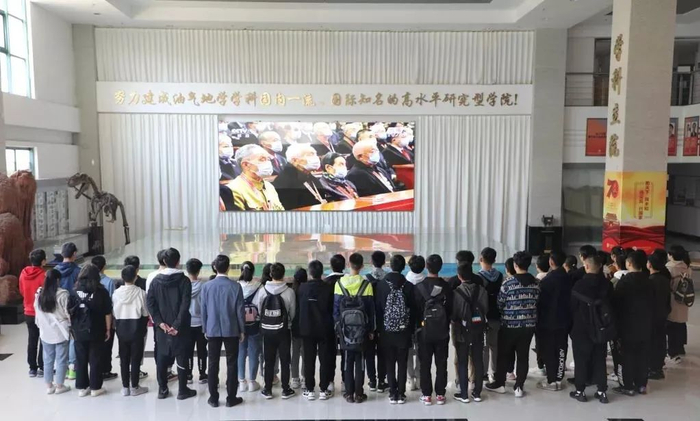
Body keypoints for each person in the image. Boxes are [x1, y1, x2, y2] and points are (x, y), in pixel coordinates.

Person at [485, 251, 539, 398]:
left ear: (515, 265)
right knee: (523, 356)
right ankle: (519, 387)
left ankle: (500, 384)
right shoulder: (536, 283)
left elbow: (500, 303)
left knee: (503, 355)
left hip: (509, 326)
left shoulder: (508, 283)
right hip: (528, 326)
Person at [146, 248, 196, 400]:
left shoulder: (155, 281)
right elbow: (185, 304)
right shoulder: (184, 280)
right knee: (182, 356)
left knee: (161, 356)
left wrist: (160, 323)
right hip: (181, 327)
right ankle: (182, 390)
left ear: (164, 261)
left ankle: (162, 389)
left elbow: (150, 304)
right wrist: (177, 325)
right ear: (178, 261)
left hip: (162, 327)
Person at [201, 255, 245, 408]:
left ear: (215, 267)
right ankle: (231, 398)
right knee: (232, 363)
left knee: (213, 363)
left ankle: (213, 398)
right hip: (231, 329)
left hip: (212, 329)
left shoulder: (206, 286)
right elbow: (240, 311)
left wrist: (205, 328)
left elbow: (204, 310)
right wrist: (242, 330)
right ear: (228, 268)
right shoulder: (235, 286)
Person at [334, 253, 376, 403]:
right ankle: (359, 393)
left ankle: (348, 393)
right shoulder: (367, 285)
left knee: (347, 359)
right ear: (362, 266)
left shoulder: (339, 284)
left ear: (348, 265)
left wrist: (338, 329)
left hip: (345, 330)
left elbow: (336, 311)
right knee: (360, 360)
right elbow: (371, 312)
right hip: (362, 331)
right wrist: (371, 330)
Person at [375, 254, 417, 404]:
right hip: (404, 330)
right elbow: (413, 311)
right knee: (402, 361)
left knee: (390, 361)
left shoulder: (381, 285)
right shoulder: (409, 286)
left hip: (386, 330)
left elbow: (378, 310)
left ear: (390, 266)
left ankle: (392, 393)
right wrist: (411, 329)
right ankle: (401, 393)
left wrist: (379, 329)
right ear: (403, 267)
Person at [569, 255, 610, 404]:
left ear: (586, 266)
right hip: (601, 328)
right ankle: (602, 391)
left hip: (581, 329)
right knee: (600, 359)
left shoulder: (579, 285)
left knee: (581, 360)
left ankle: (580, 391)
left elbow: (572, 307)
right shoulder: (607, 284)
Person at [612, 251, 653, 396]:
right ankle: (642, 384)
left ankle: (627, 385)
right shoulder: (649, 281)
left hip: (626, 326)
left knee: (626, 356)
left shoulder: (624, 282)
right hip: (645, 325)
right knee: (643, 355)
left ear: (628, 263)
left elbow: (616, 305)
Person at [254, 262, 297, 399]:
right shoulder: (289, 292)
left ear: (271, 274)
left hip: (267, 331)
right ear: (283, 274)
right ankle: (286, 389)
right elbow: (293, 312)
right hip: (284, 330)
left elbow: (258, 309)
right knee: (285, 360)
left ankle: (267, 389)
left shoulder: (262, 291)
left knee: (268, 360)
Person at [414, 254, 453, 406]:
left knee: (425, 363)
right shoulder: (447, 287)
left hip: (424, 331)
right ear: (441, 267)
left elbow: (416, 311)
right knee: (441, 363)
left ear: (426, 266)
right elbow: (450, 310)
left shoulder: (419, 287)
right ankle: (441, 394)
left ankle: (426, 395)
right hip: (442, 331)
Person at [70, 264, 113, 397]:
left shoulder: (74, 291)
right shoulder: (101, 291)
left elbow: (69, 311)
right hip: (96, 328)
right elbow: (107, 312)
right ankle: (95, 387)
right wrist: (108, 329)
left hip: (78, 329)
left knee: (80, 358)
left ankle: (82, 387)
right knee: (95, 359)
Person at [536, 251, 573, 391]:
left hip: (548, 321)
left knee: (550, 351)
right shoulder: (568, 278)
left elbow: (540, 302)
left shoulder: (547, 281)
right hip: (565, 320)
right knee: (562, 349)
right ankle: (558, 378)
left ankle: (551, 381)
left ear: (551, 262)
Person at [452, 262, 488, 403]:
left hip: (462, 331)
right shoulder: (482, 290)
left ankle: (464, 394)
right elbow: (485, 309)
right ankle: (477, 393)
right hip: (478, 330)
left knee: (462, 361)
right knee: (477, 360)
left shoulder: (456, 293)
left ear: (459, 276)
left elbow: (454, 315)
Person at [299, 260, 335, 400]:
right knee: (324, 359)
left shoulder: (302, 288)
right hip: (324, 328)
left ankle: (309, 389)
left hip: (307, 328)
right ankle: (324, 389)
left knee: (309, 359)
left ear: (310, 272)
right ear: (322, 273)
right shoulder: (328, 288)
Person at [112, 265, 149, 397]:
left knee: (124, 358)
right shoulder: (141, 293)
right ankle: (135, 386)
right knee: (135, 358)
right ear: (135, 277)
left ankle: (125, 387)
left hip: (121, 327)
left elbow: (114, 312)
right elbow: (145, 313)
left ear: (122, 278)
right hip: (137, 327)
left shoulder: (116, 293)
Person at [446, 250, 479, 393]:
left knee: (459, 352)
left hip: (458, 323)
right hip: (476, 322)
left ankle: (460, 380)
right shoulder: (478, 280)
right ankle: (473, 380)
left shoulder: (453, 281)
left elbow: (449, 304)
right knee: (474, 353)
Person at [35, 269, 71, 395]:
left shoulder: (39, 294)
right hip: (60, 330)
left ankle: (49, 386)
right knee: (61, 359)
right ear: (58, 280)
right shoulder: (63, 294)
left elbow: (37, 313)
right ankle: (60, 385)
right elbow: (67, 312)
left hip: (45, 330)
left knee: (48, 359)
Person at [228, 144, 285, 211]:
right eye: (262, 159)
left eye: (268, 159)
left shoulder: (269, 186)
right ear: (246, 165)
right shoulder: (234, 190)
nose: (268, 163)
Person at [477, 247, 503, 383]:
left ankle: (483, 374)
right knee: (495, 346)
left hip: (483, 315)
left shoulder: (478, 277)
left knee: (484, 347)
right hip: (496, 314)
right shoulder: (499, 275)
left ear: (481, 259)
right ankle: (496, 372)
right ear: (494, 260)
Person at [273, 143, 326, 210]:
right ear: (295, 160)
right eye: (310, 155)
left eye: (315, 154)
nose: (316, 158)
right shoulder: (284, 182)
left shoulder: (309, 176)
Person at [20, 249, 46, 377]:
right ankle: (42, 366)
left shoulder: (23, 274)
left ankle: (32, 368)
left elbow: (22, 291)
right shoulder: (43, 276)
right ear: (43, 261)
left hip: (28, 311)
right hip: (41, 312)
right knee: (44, 339)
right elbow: (45, 295)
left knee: (32, 340)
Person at [364, 251, 388, 393]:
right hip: (384, 321)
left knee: (369, 352)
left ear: (371, 262)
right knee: (383, 352)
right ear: (384, 262)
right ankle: (382, 381)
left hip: (369, 320)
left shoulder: (365, 279)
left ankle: (372, 381)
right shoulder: (388, 279)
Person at [92, 256, 117, 381]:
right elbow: (111, 303)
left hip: (93, 318)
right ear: (104, 266)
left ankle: (96, 370)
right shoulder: (109, 282)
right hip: (106, 318)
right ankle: (106, 370)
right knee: (107, 345)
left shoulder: (86, 281)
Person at [238, 261, 262, 392]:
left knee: (241, 352)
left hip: (239, 324)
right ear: (253, 272)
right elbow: (261, 306)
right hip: (255, 324)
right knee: (254, 352)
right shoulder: (259, 286)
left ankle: (242, 382)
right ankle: (252, 381)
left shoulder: (236, 286)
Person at [666, 245, 692, 364]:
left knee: (671, 326)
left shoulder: (669, 268)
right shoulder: (687, 267)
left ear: (671, 255)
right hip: (684, 300)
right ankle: (681, 347)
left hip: (673, 300)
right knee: (681, 324)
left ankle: (673, 352)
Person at [647, 252, 671, 380]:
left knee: (652, 342)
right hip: (662, 314)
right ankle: (658, 366)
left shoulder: (649, 281)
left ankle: (653, 368)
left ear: (649, 265)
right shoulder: (665, 280)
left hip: (652, 316)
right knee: (661, 340)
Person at [324, 254, 345, 392]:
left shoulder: (325, 282)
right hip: (346, 323)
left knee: (329, 353)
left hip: (329, 323)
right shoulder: (347, 281)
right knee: (346, 353)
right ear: (344, 266)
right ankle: (345, 381)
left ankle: (329, 381)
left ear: (331, 266)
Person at [185, 258, 208, 385]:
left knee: (188, 350)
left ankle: (188, 375)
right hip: (201, 323)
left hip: (187, 323)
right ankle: (202, 374)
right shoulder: (204, 286)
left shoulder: (183, 286)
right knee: (202, 350)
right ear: (199, 271)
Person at [405, 255, 426, 391]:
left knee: (408, 350)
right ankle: (419, 378)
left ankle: (409, 379)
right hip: (422, 322)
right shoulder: (426, 283)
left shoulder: (405, 283)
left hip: (407, 322)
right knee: (420, 350)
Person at [290, 268, 307, 390]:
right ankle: (305, 377)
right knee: (305, 353)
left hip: (295, 326)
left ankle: (295, 378)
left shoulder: (292, 291)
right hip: (306, 326)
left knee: (295, 353)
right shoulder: (307, 290)